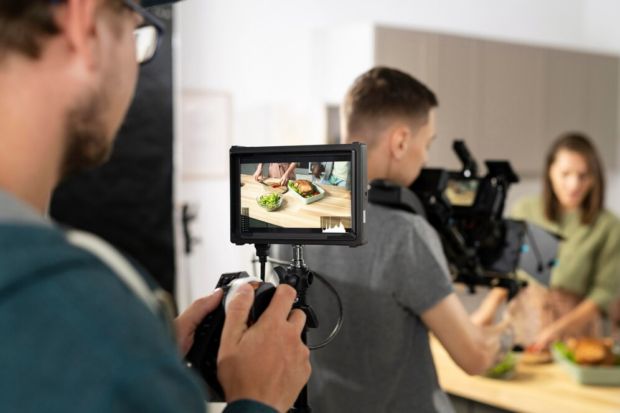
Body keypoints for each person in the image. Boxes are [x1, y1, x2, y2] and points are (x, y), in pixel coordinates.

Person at [0, 1, 310, 412]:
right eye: (134, 34)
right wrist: (258, 399)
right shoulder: (80, 312)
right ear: (85, 26)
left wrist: (149, 360)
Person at [292, 67, 511, 413]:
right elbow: (475, 358)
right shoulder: (406, 234)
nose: (425, 158)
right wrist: (514, 331)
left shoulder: (294, 218)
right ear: (400, 141)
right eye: (427, 144)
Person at [472, 133, 620, 352]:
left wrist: (558, 329)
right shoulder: (526, 211)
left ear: (594, 178)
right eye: (565, 174)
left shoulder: (608, 226)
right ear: (550, 172)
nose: (574, 184)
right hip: (524, 322)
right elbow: (508, 269)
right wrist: (489, 308)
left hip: (576, 332)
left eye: (583, 176)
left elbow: (603, 294)